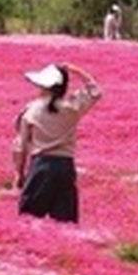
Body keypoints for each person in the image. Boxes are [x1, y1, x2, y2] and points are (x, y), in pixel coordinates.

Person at [13, 62, 101, 222]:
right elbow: (95, 92)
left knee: (28, 217)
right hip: (65, 167)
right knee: (65, 221)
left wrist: (19, 173)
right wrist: (77, 71)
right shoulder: (72, 107)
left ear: (44, 86)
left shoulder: (31, 111)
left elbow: (20, 146)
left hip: (41, 167)